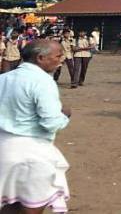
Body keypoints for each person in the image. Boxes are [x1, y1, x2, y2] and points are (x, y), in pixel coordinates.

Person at [0, 39, 71, 213]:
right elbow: (51, 122)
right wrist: (64, 115)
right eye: (58, 56)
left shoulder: (3, 78)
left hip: (4, 148)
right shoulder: (43, 81)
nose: (61, 59)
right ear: (41, 58)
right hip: (32, 152)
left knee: (9, 204)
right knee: (32, 207)